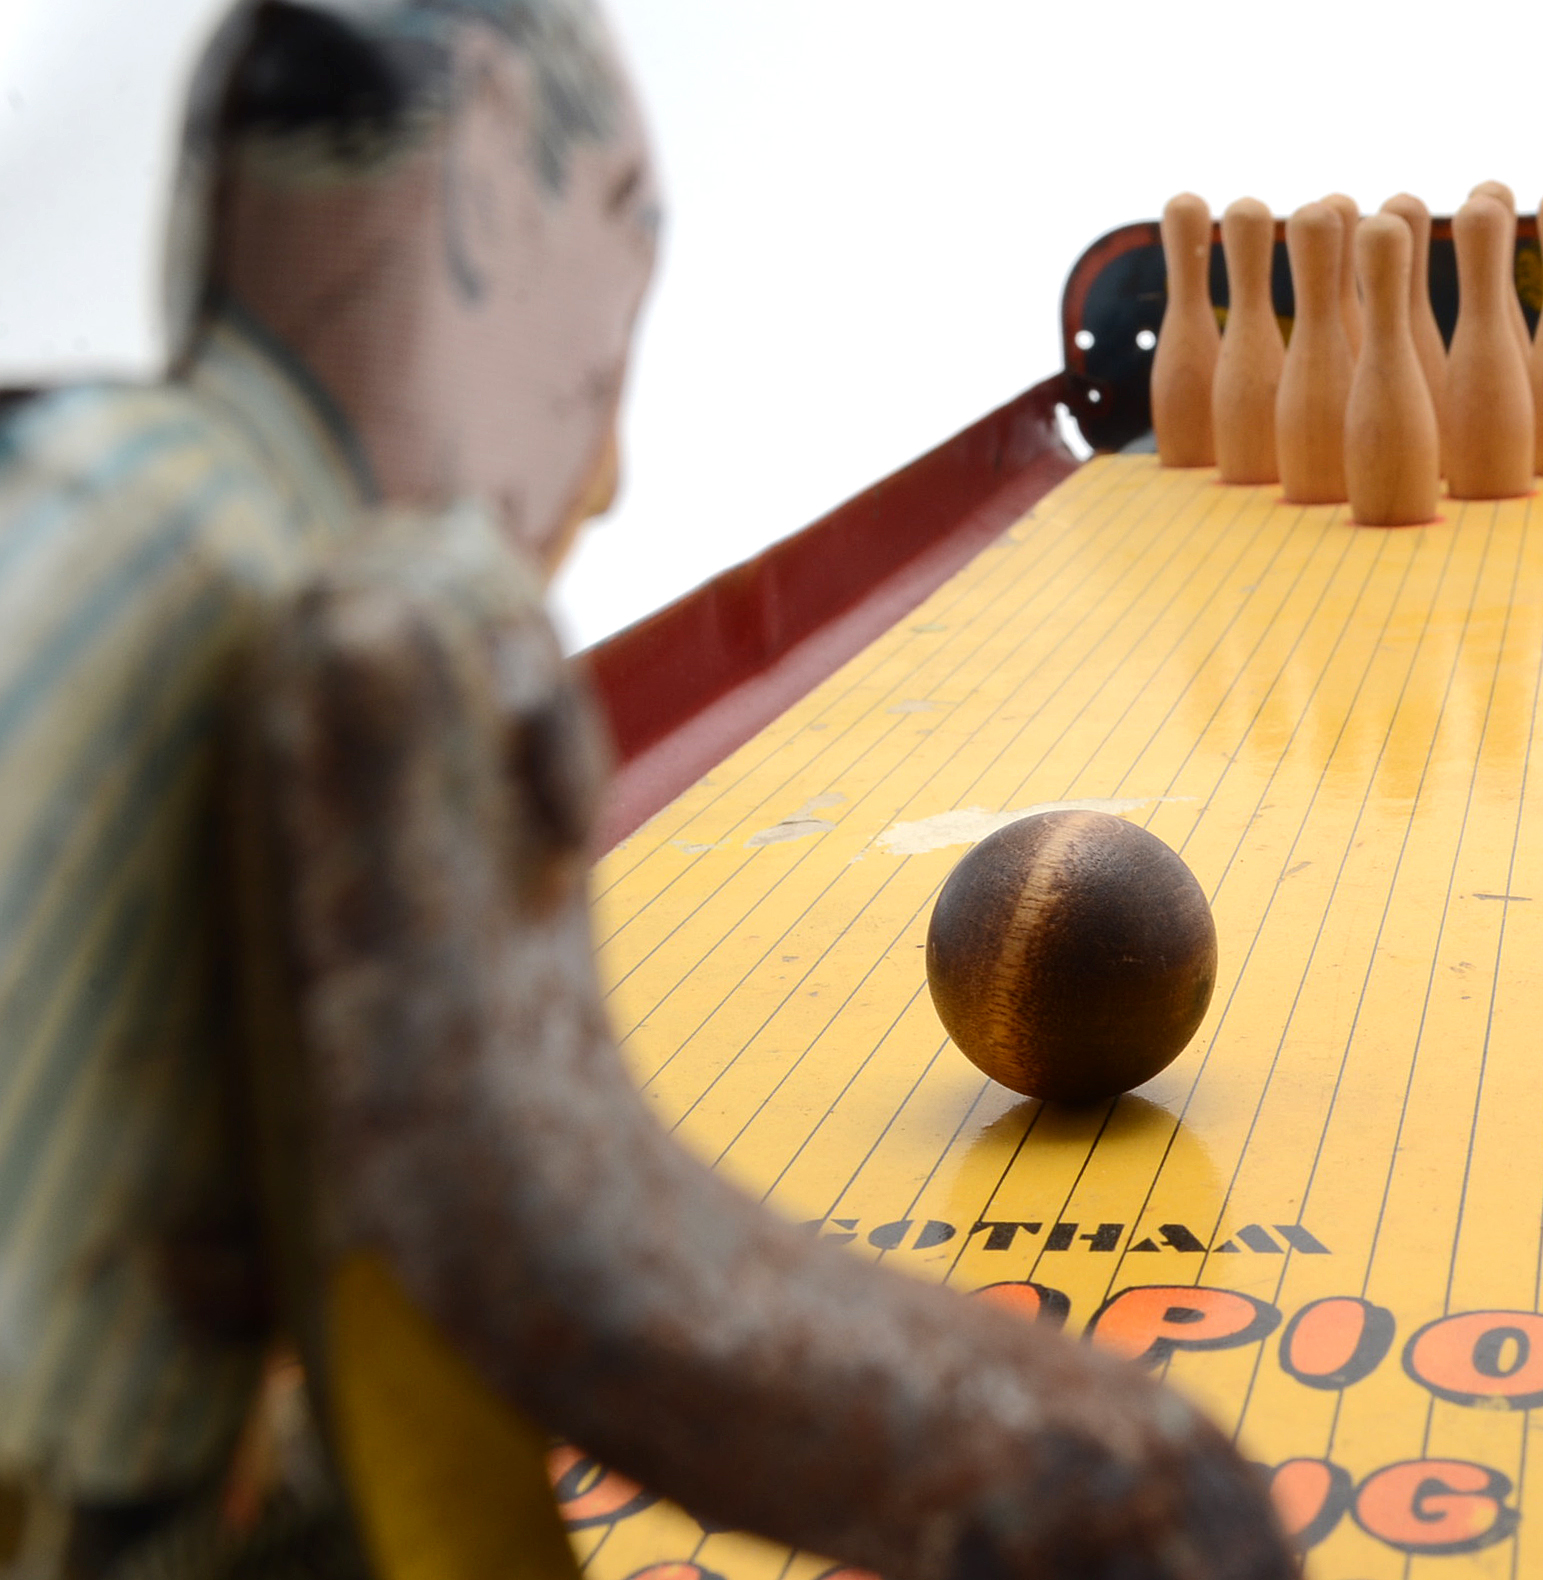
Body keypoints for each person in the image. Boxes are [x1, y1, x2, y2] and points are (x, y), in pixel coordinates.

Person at [0, 5, 1294, 1579]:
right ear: (481, 189)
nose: (602, 472)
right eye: (617, 259)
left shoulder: (67, 473)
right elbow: (569, 1268)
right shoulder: (387, 619)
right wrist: (1140, 1483)